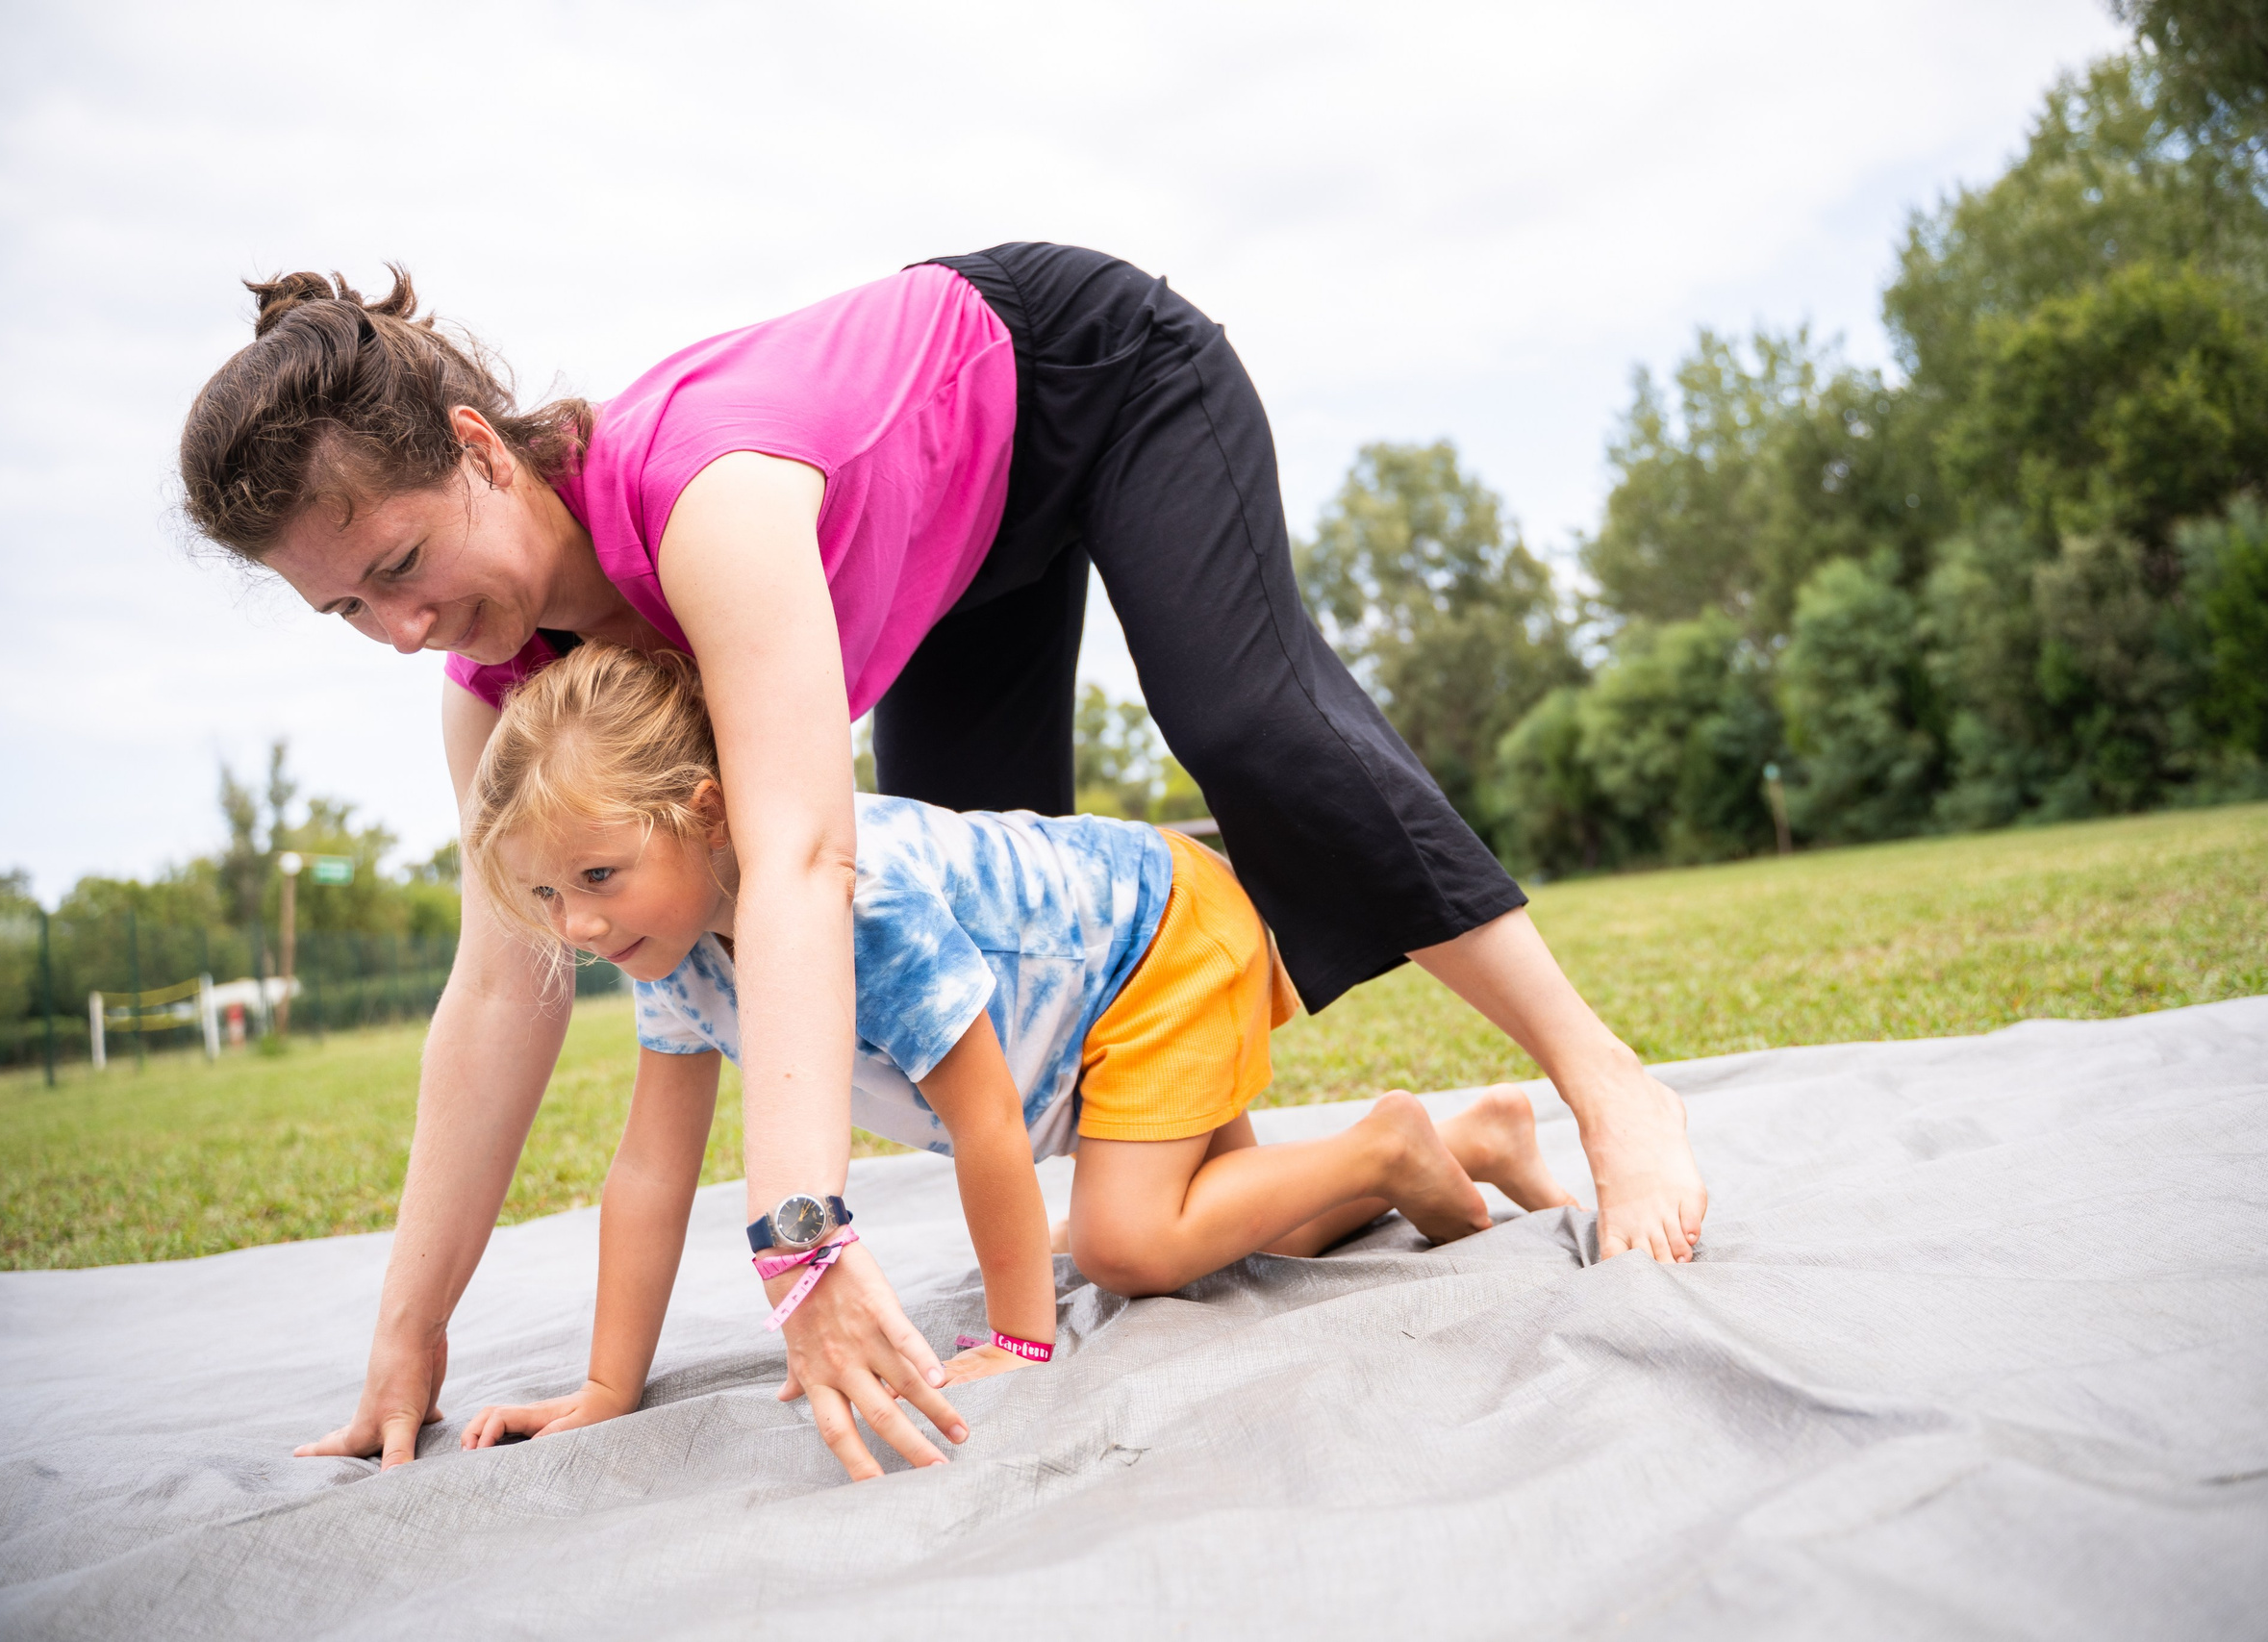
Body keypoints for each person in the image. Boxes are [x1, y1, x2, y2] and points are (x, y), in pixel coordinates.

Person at [178, 243, 1705, 1484]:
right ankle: (1340, 1167)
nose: (400, 629)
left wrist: (802, 1236)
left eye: (396, 567)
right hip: (958, 562)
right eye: (346, 615)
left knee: (1249, 716)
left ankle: (1600, 1075)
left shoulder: (701, 498)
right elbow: (498, 985)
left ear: (473, 454)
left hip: (1086, 385)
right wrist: (411, 1331)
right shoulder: (496, 694)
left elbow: (799, 858)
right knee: (1009, 1001)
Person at [450, 643, 1575, 1466]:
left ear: (704, 815)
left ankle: (1388, 1145)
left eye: (598, 878)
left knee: (1124, 1245)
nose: (579, 928)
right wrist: (606, 1387)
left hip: (1156, 937)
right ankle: (1471, 1136)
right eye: (547, 896)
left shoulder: (854, 903)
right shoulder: (677, 949)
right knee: (1210, 1226)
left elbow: (985, 1116)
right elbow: (651, 1172)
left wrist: (1018, 1340)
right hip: (1109, 974)